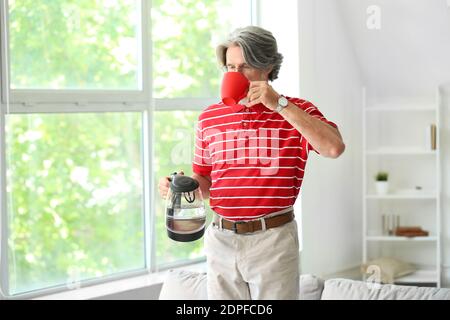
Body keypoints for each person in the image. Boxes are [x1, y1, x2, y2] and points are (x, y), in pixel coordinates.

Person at [159, 26, 345, 300]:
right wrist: (180, 186)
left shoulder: (297, 110)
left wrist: (280, 104)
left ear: (267, 67)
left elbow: (333, 147)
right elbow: (207, 183)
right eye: (230, 67)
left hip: (273, 240)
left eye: (244, 67)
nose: (235, 75)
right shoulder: (209, 118)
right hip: (221, 238)